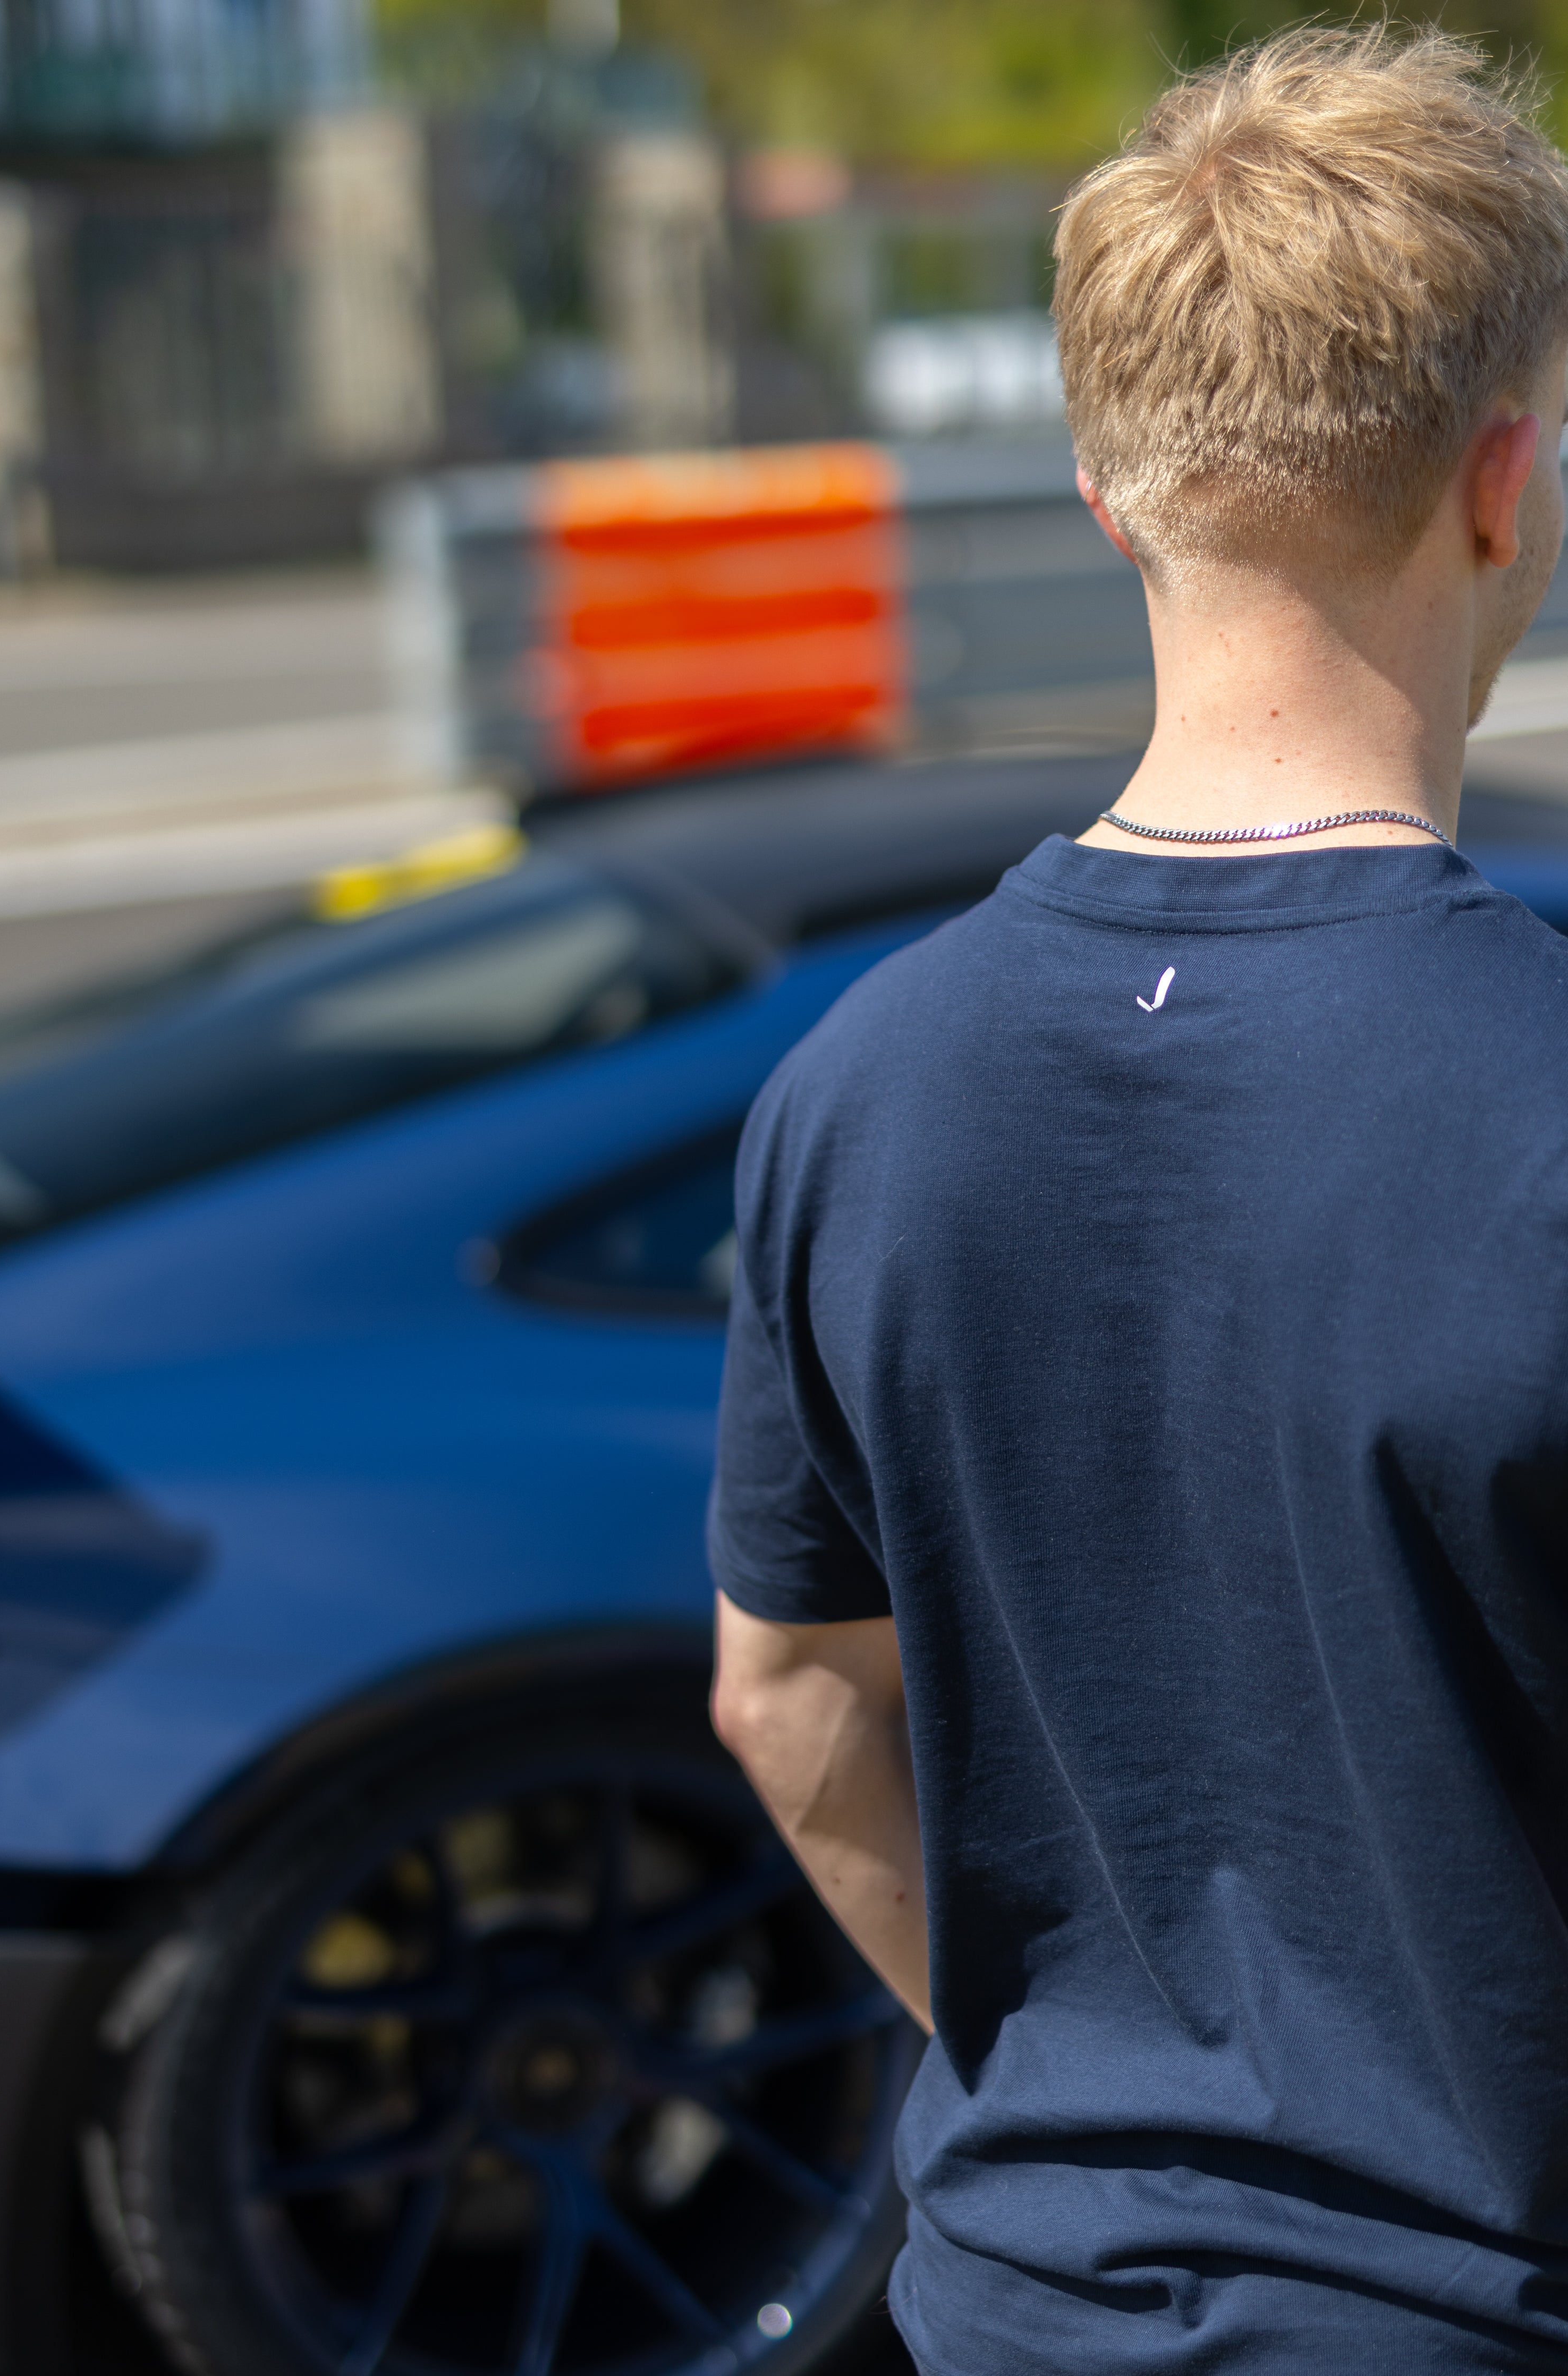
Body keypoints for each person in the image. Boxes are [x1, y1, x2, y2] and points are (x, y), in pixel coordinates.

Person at [708, 28, 1568, 2375]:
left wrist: (1094, 2102)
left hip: (1011, 2304)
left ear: (1105, 493)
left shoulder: (853, 1084)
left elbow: (788, 1699)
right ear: (1502, 485)